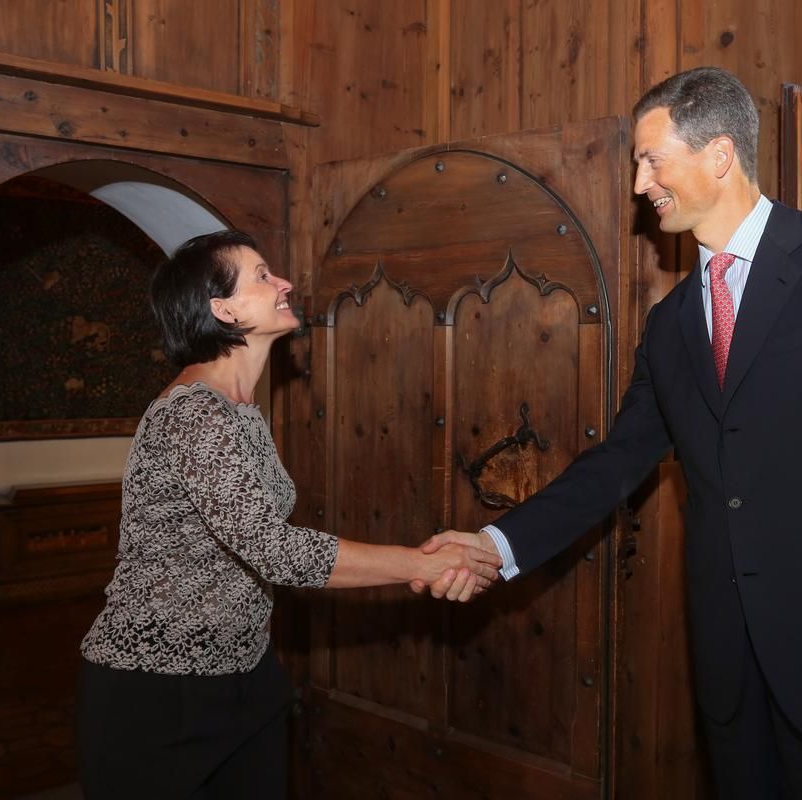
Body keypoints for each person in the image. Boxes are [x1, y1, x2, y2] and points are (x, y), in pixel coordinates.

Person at [417, 67, 802, 798]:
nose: (640, 184)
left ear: (719, 155)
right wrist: (495, 545)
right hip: (733, 684)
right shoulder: (671, 325)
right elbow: (617, 462)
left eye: (651, 160)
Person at [77, 230, 499, 800]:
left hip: (245, 677)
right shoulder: (192, 414)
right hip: (156, 693)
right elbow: (273, 549)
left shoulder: (241, 409)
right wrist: (422, 563)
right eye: (261, 276)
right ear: (223, 310)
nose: (283, 284)